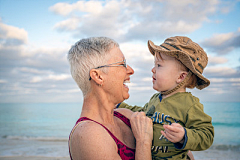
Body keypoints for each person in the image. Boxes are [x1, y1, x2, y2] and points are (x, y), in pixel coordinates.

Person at [117, 36, 214, 159]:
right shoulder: (156, 98)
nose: (153, 69)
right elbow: (143, 113)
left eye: (159, 65)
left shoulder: (190, 104)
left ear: (181, 77)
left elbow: (207, 135)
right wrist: (120, 105)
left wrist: (184, 135)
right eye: (154, 65)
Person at [67, 37, 153, 160]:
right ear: (98, 76)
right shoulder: (88, 134)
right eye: (122, 64)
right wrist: (143, 141)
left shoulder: (126, 116)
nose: (131, 70)